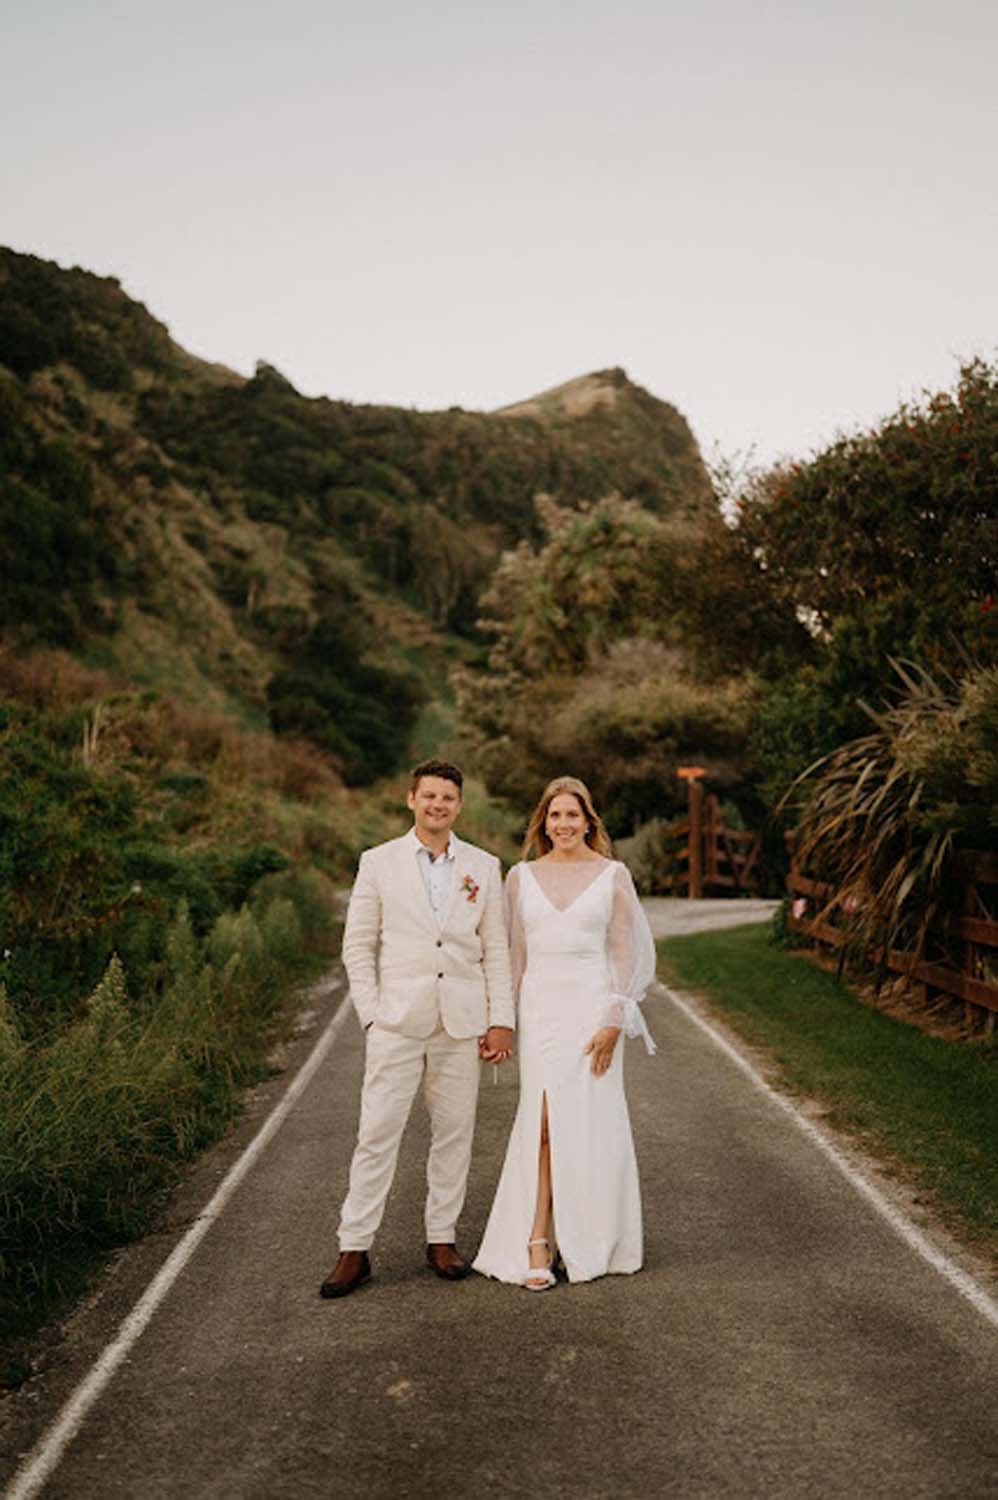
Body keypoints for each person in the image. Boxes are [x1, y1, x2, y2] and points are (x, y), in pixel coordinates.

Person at [320, 759, 514, 1298]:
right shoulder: (378, 862)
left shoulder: (483, 865)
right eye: (429, 796)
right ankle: (354, 1248)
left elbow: (495, 948)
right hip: (398, 1023)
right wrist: (373, 1015)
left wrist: (501, 1019)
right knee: (377, 1133)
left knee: (454, 1134)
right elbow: (357, 946)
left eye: (448, 798)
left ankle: (441, 1239)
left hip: (460, 1023)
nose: (438, 805)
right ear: (411, 800)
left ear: (458, 805)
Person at [473, 775, 656, 1290]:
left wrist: (613, 1020)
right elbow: (514, 958)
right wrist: (500, 1021)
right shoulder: (521, 877)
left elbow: (625, 954)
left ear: (588, 821)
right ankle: (537, 1237)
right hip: (541, 1011)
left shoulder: (612, 875)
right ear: (543, 823)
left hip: (592, 1009)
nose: (564, 824)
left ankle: (590, 1235)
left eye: (572, 815)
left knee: (591, 1122)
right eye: (555, 816)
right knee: (545, 1122)